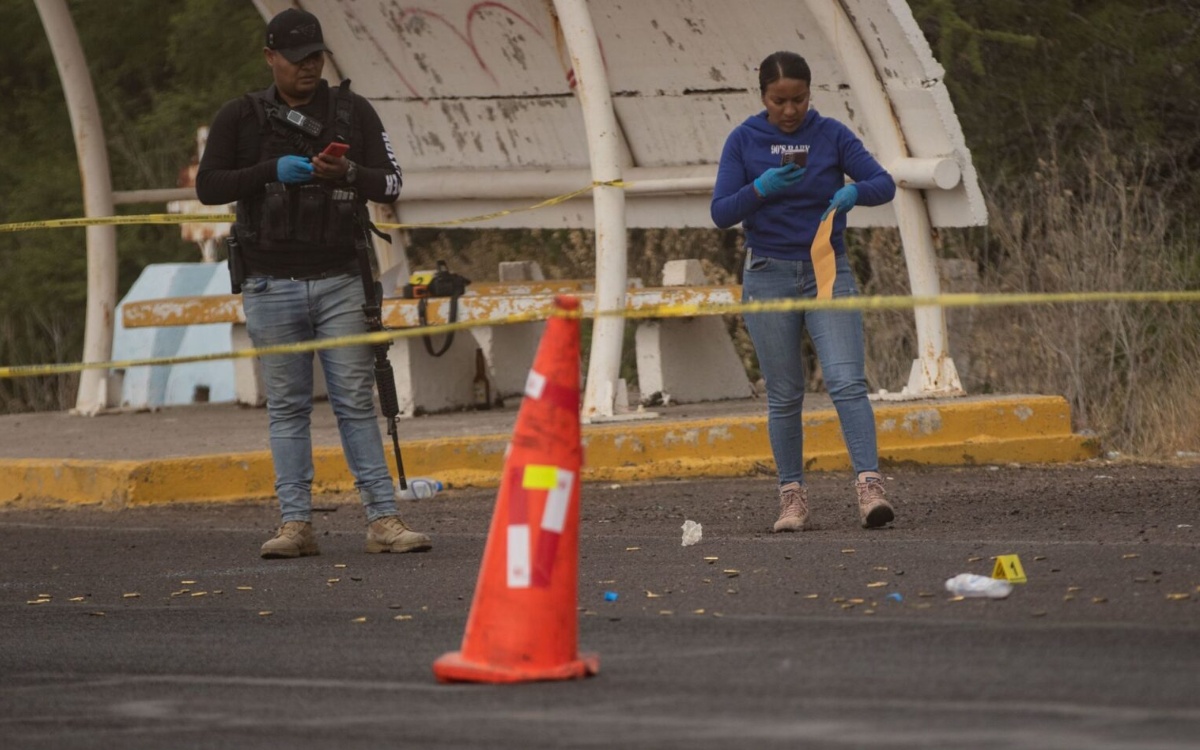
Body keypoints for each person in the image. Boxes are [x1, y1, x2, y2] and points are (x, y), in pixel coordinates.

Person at [197, 8, 431, 558]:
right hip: (268, 282)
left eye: (317, 56)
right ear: (270, 58)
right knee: (287, 406)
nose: (310, 67)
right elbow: (209, 186)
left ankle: (383, 519)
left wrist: (347, 173)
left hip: (341, 281)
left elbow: (392, 183)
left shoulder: (353, 111)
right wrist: (270, 171)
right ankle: (295, 524)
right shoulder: (241, 117)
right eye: (298, 58)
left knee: (354, 400)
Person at [711, 51, 897, 533]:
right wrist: (761, 188)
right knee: (785, 392)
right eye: (779, 101)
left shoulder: (831, 134)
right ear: (763, 98)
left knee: (846, 380)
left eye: (798, 100)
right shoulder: (744, 140)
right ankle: (792, 496)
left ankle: (869, 486)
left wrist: (856, 192)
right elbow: (721, 211)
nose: (789, 111)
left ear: (811, 95)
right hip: (768, 272)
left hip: (827, 269)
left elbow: (884, 183)